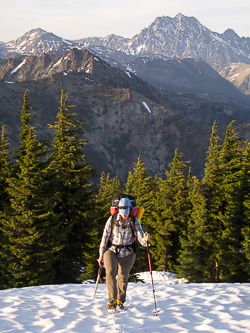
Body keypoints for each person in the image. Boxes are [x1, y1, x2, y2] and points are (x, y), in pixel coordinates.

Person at [98, 197, 150, 311]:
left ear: (130, 211)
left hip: (128, 252)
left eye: (127, 213)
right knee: (110, 272)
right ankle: (112, 302)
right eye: (123, 213)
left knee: (123, 276)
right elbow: (105, 238)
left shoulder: (135, 221)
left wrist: (145, 240)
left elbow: (141, 238)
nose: (125, 216)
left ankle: (120, 300)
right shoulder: (111, 220)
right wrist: (101, 255)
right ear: (119, 210)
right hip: (111, 250)